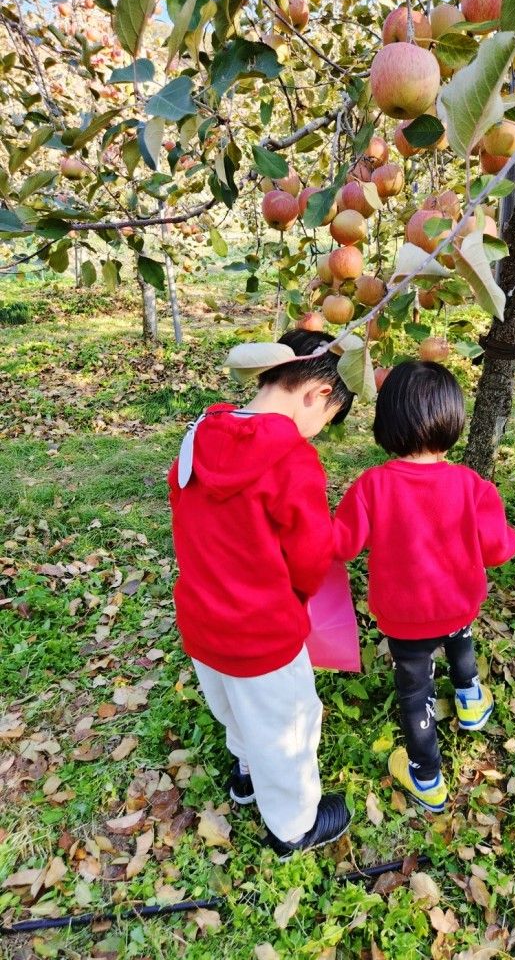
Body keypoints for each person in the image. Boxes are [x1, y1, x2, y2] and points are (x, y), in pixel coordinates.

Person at [168, 329, 354, 857]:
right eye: (325, 421)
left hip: (203, 620)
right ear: (317, 394)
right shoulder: (292, 461)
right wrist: (297, 594)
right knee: (289, 726)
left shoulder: (197, 435)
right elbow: (312, 554)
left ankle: (246, 771)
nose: (315, 434)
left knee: (235, 707)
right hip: (263, 630)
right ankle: (294, 826)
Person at [334, 360, 515, 812]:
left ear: (388, 420)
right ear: (453, 417)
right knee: (459, 635)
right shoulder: (472, 485)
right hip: (458, 603)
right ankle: (472, 700)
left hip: (405, 618)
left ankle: (427, 777)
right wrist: (509, 537)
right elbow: (497, 550)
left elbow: (340, 544)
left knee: (414, 690)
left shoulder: (372, 486)